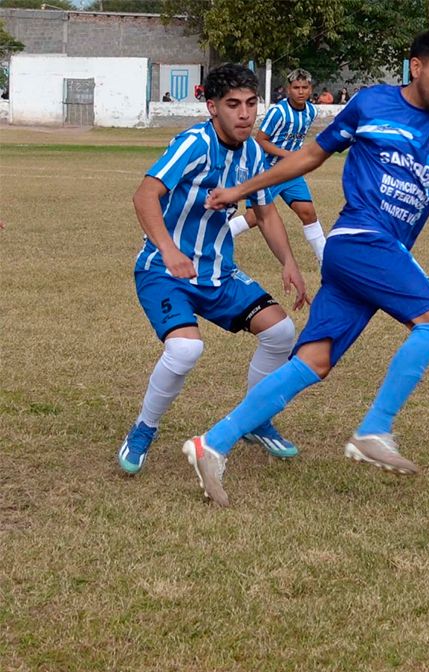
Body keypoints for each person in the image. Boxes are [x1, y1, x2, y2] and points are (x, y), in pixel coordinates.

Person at [185, 28, 429, 507]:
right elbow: (310, 156)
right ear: (415, 67)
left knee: (315, 361)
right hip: (360, 239)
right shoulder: (370, 105)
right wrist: (242, 190)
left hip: (368, 255)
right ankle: (375, 428)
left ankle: (213, 444)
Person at [117, 63, 308, 476]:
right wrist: (168, 251)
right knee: (185, 349)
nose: (244, 114)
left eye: (251, 104)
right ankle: (143, 429)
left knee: (280, 332)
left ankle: (255, 420)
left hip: (219, 273)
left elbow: (266, 211)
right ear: (212, 107)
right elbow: (145, 195)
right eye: (233, 104)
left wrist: (290, 262)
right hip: (163, 270)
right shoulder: (194, 144)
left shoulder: (255, 152)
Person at [226, 68, 327, 265]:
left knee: (308, 212)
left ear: (310, 89)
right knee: (254, 217)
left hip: (291, 172)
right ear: (289, 89)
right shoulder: (278, 112)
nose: (300, 91)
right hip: (268, 171)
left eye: (304, 87)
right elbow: (261, 140)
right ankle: (211, 239)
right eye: (296, 87)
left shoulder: (311, 111)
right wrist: (288, 155)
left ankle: (325, 259)